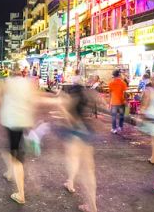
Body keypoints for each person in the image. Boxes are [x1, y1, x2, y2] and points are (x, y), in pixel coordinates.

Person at [0, 64, 38, 205]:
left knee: (15, 156)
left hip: (11, 121)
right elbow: (33, 101)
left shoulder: (6, 83)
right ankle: (10, 172)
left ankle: (21, 194)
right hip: (23, 120)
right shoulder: (29, 83)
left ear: (10, 72)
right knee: (11, 149)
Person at [57, 74, 100, 212]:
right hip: (87, 131)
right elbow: (99, 103)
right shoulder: (88, 94)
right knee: (88, 169)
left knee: (74, 161)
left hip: (75, 132)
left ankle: (71, 183)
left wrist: (65, 112)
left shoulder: (72, 97)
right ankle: (91, 205)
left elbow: (68, 115)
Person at [108, 69, 128, 134]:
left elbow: (110, 94)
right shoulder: (123, 83)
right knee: (121, 115)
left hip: (114, 102)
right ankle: (120, 126)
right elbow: (125, 93)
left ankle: (114, 129)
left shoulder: (111, 83)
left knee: (114, 116)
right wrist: (126, 101)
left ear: (113, 76)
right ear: (119, 75)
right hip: (122, 101)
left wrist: (109, 102)